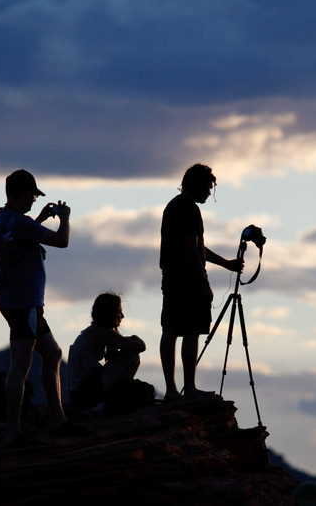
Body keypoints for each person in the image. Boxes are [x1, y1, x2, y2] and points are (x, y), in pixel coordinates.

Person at [0, 169, 89, 447]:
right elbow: (62, 241)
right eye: (33, 194)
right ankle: (13, 432)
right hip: (25, 303)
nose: (35, 199)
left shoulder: (0, 220)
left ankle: (57, 420)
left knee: (53, 354)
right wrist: (65, 219)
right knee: (20, 366)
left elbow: (18, 236)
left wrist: (39, 220)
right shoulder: (19, 222)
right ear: (23, 191)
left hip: (16, 301)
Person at [159, 163, 243, 400]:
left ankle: (172, 391)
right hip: (188, 280)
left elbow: (196, 246)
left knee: (171, 329)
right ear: (196, 185)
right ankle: (190, 389)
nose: (208, 192)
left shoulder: (173, 206)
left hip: (172, 277)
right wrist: (203, 285)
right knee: (191, 331)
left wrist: (226, 264)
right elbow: (190, 250)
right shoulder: (190, 209)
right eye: (208, 187)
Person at [68, 292, 147, 412]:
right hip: (84, 391)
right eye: (119, 312)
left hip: (81, 389)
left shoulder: (94, 331)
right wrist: (134, 337)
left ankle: (110, 399)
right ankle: (113, 398)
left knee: (129, 353)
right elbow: (140, 346)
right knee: (133, 357)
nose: (123, 316)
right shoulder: (101, 333)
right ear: (111, 314)